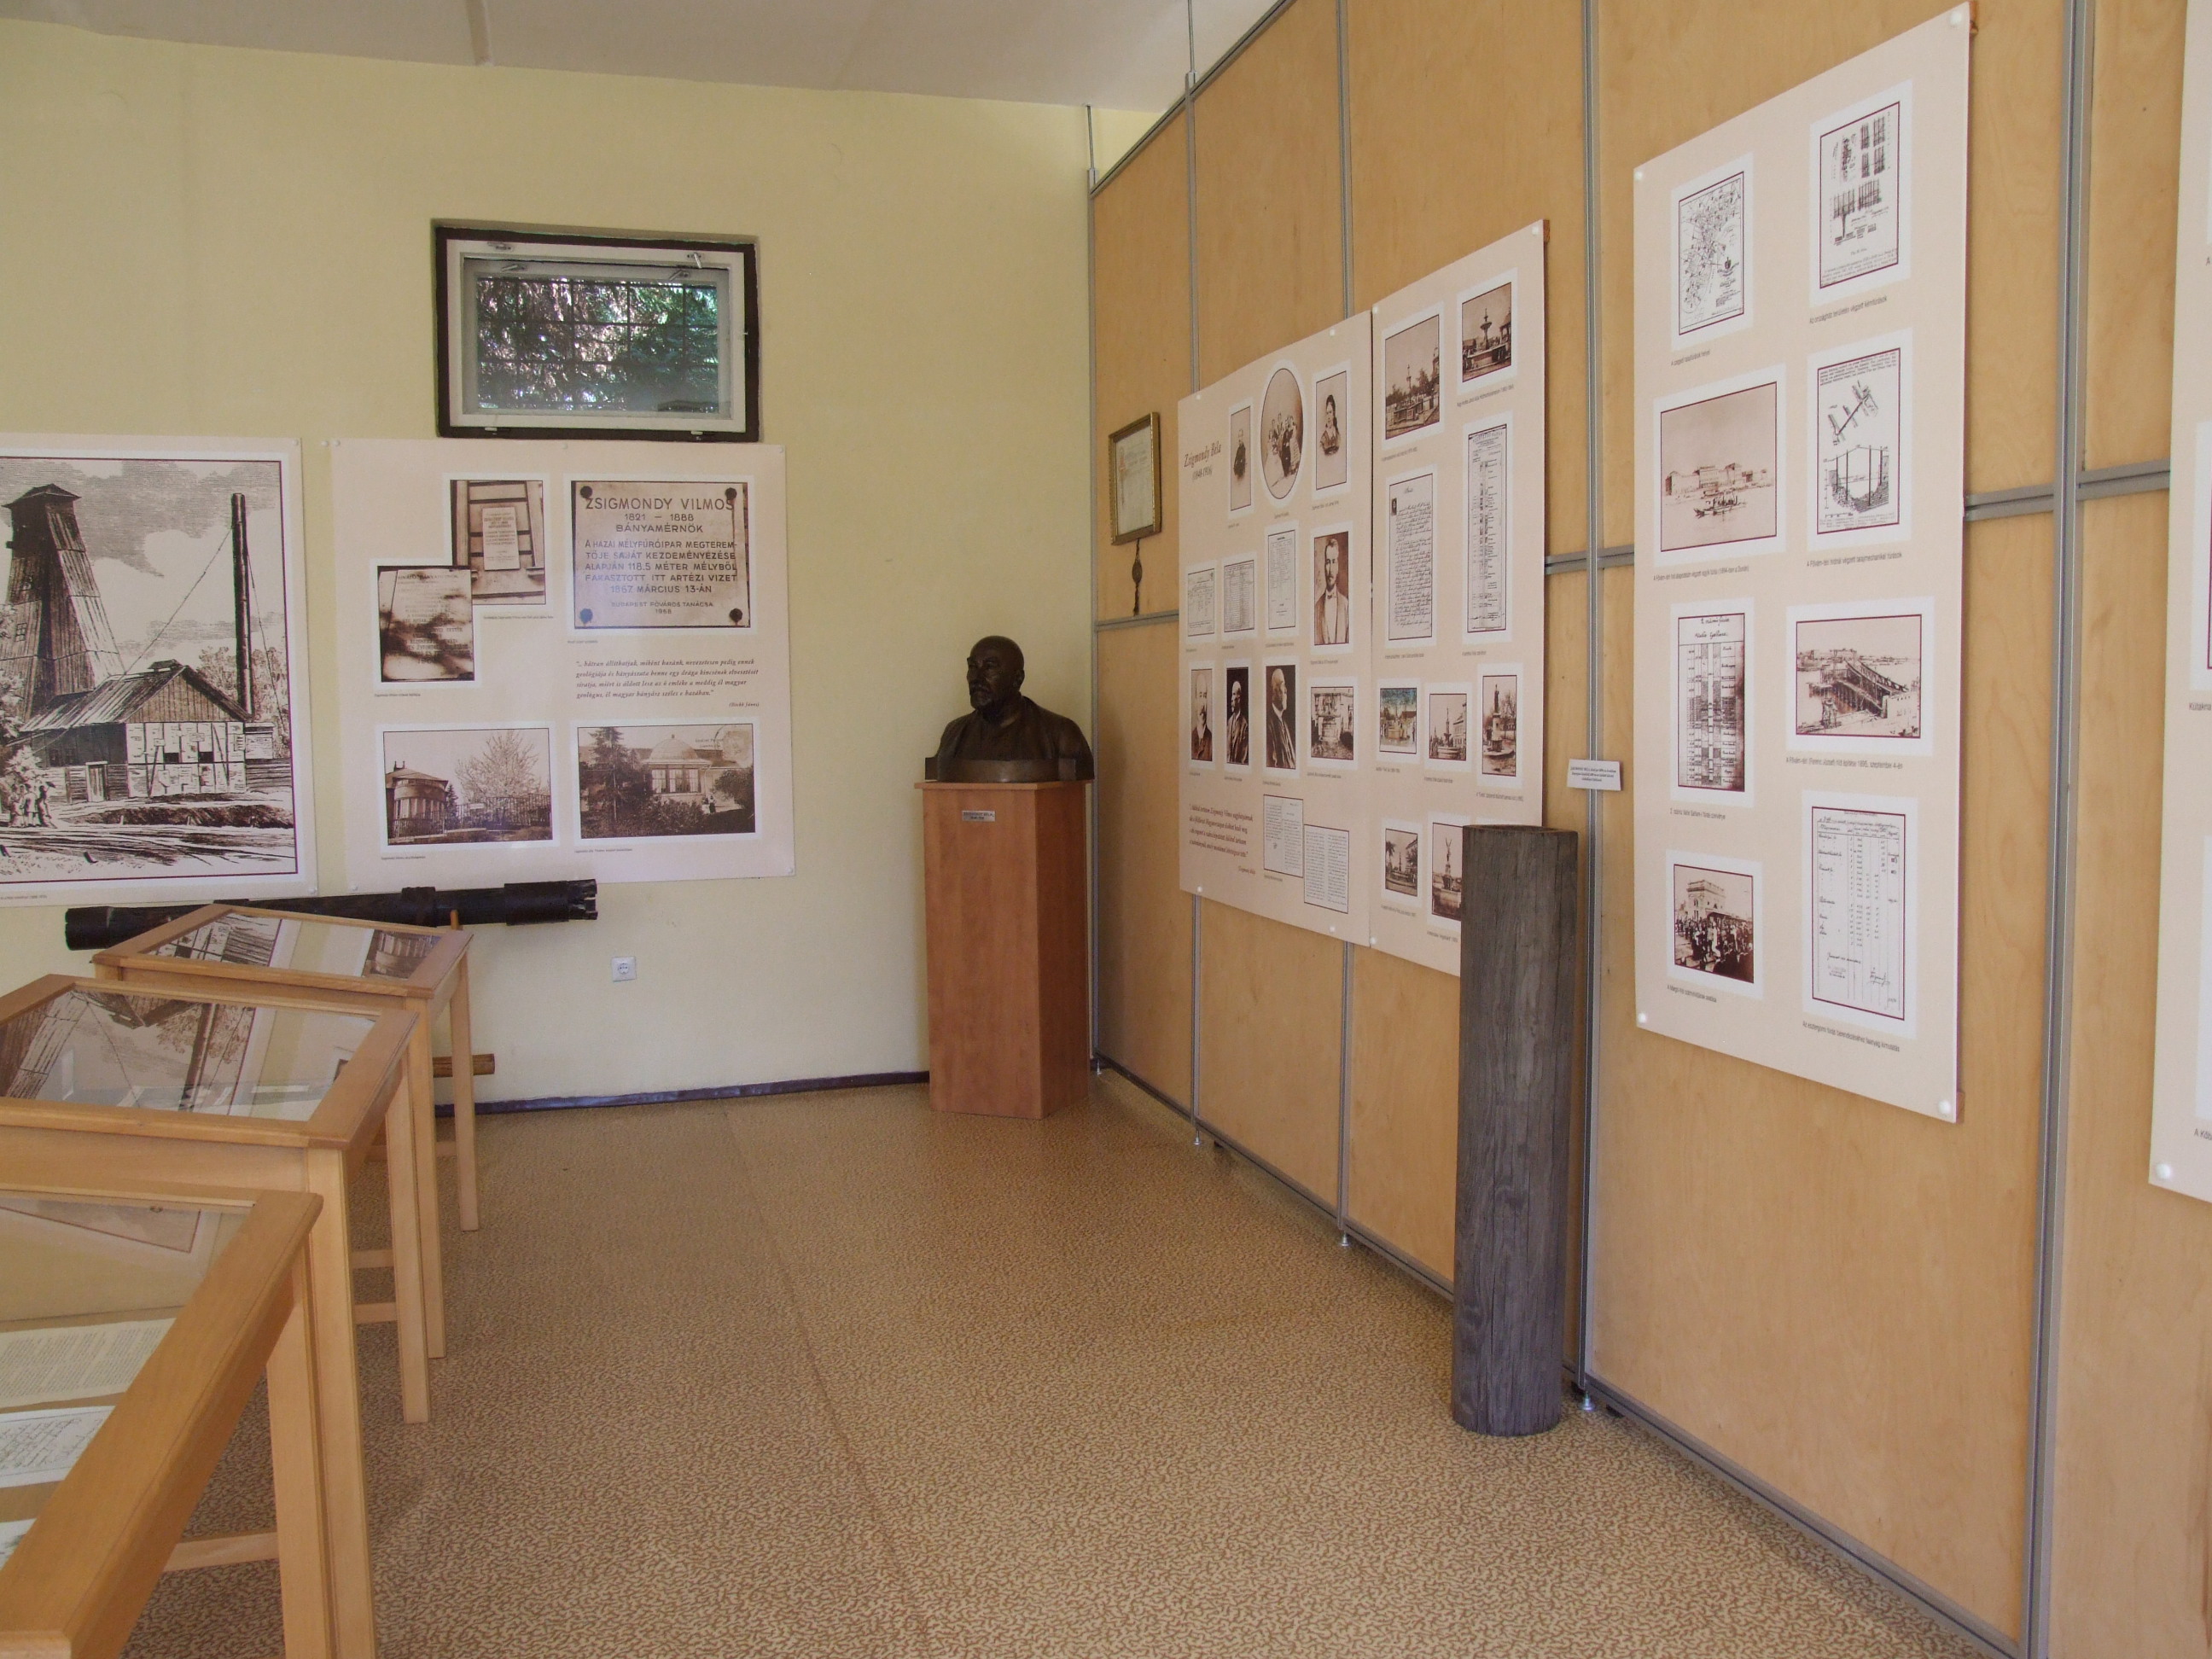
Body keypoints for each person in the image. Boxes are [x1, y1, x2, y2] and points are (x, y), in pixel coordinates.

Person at [931, 635, 1096, 781]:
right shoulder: (954, 733)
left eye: (990, 667)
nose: (976, 678)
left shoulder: (1061, 734)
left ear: (1017, 679)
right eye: (973, 667)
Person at [1313, 536, 1351, 648]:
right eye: (1327, 562)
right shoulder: (1316, 608)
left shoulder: (1346, 605)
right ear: (1324, 566)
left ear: (1338, 566)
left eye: (1334, 562)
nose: (1330, 569)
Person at [1266, 667, 1296, 771]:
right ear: (1274, 691)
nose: (1286, 690)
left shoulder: (1284, 723)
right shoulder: (1268, 725)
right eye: (1283, 685)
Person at [1224, 674, 1249, 768]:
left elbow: (1243, 758)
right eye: (1232, 694)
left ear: (1239, 699)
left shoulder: (1245, 726)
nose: (1231, 699)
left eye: (1234, 694)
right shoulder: (1229, 722)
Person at [1318, 393, 1341, 457]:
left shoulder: (1338, 436)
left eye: (1330, 412)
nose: (1328, 417)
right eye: (1327, 413)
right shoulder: (1323, 439)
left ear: (1334, 414)